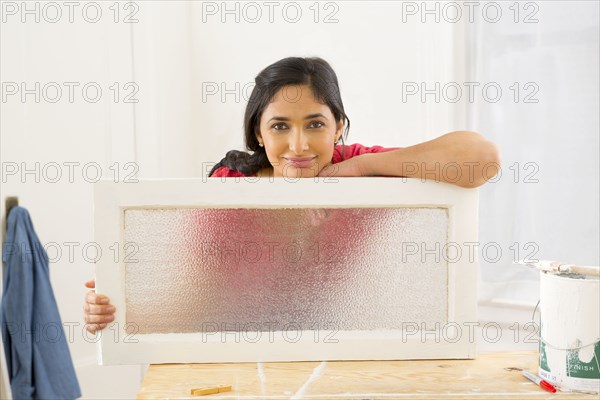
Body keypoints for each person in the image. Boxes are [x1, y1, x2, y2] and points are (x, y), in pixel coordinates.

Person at [83, 56, 501, 332]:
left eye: (315, 124)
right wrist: (120, 307)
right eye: (280, 126)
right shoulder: (232, 184)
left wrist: (358, 168)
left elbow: (482, 159)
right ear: (258, 133)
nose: (299, 146)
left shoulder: (359, 165)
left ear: (338, 126)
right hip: (234, 338)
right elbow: (200, 290)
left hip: (346, 341)